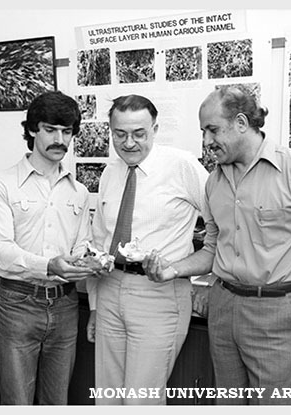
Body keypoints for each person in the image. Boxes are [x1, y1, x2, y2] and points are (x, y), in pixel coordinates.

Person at [143, 86, 291, 405]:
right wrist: (172, 269)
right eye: (203, 131)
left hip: (277, 311)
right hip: (223, 305)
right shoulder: (214, 181)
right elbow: (212, 250)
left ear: (241, 122)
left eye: (212, 130)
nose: (206, 141)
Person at [86, 94, 209, 405]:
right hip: (110, 289)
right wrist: (95, 306)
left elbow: (224, 227)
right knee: (107, 397)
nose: (129, 143)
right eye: (120, 134)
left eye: (139, 134)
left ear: (155, 128)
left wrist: (213, 278)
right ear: (110, 131)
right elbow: (100, 240)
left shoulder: (182, 166)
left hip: (159, 293)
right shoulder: (109, 172)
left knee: (142, 400)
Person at [0, 90, 96, 405]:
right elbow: (1, 249)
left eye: (67, 131)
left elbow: (80, 246)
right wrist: (49, 266)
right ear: (33, 129)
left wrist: (90, 262)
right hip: (19, 303)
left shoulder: (80, 191)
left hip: (65, 307)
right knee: (17, 403)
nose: (60, 139)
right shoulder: (0, 184)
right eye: (51, 129)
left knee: (56, 402)